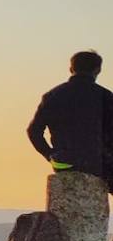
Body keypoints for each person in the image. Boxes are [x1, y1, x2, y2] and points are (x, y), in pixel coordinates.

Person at [27, 50, 113, 185]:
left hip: (63, 163)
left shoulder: (53, 95)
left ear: (71, 68)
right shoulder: (106, 97)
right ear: (98, 70)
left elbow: (33, 131)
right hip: (98, 165)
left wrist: (50, 155)